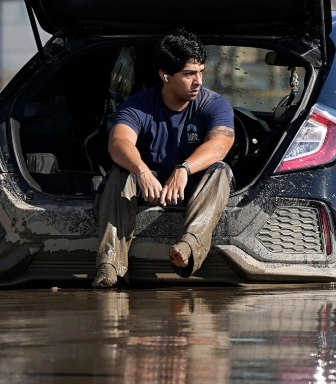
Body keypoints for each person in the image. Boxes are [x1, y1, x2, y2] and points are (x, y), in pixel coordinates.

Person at [93, 29, 235, 288]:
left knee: (220, 170)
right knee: (119, 173)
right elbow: (118, 143)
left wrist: (184, 169)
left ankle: (189, 246)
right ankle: (109, 265)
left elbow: (220, 144)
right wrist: (142, 171)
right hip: (146, 185)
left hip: (193, 186)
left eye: (201, 71)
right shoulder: (139, 106)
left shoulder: (214, 104)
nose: (198, 81)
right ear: (165, 75)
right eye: (189, 74)